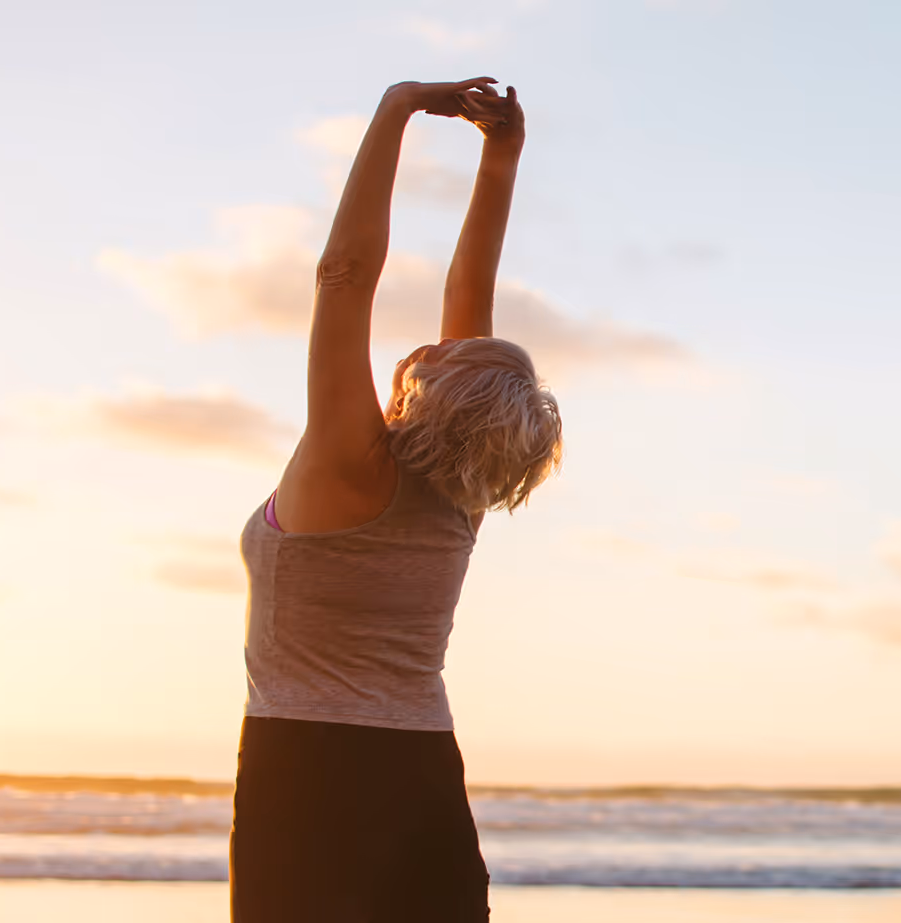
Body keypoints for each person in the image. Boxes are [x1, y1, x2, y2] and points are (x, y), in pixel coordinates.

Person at [230, 77, 562, 922]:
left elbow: (344, 278)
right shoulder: (469, 490)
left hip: (304, 771)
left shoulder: (346, 461)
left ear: (440, 395)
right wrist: (501, 156)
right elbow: (470, 295)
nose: (434, 343)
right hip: (423, 775)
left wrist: (398, 106)